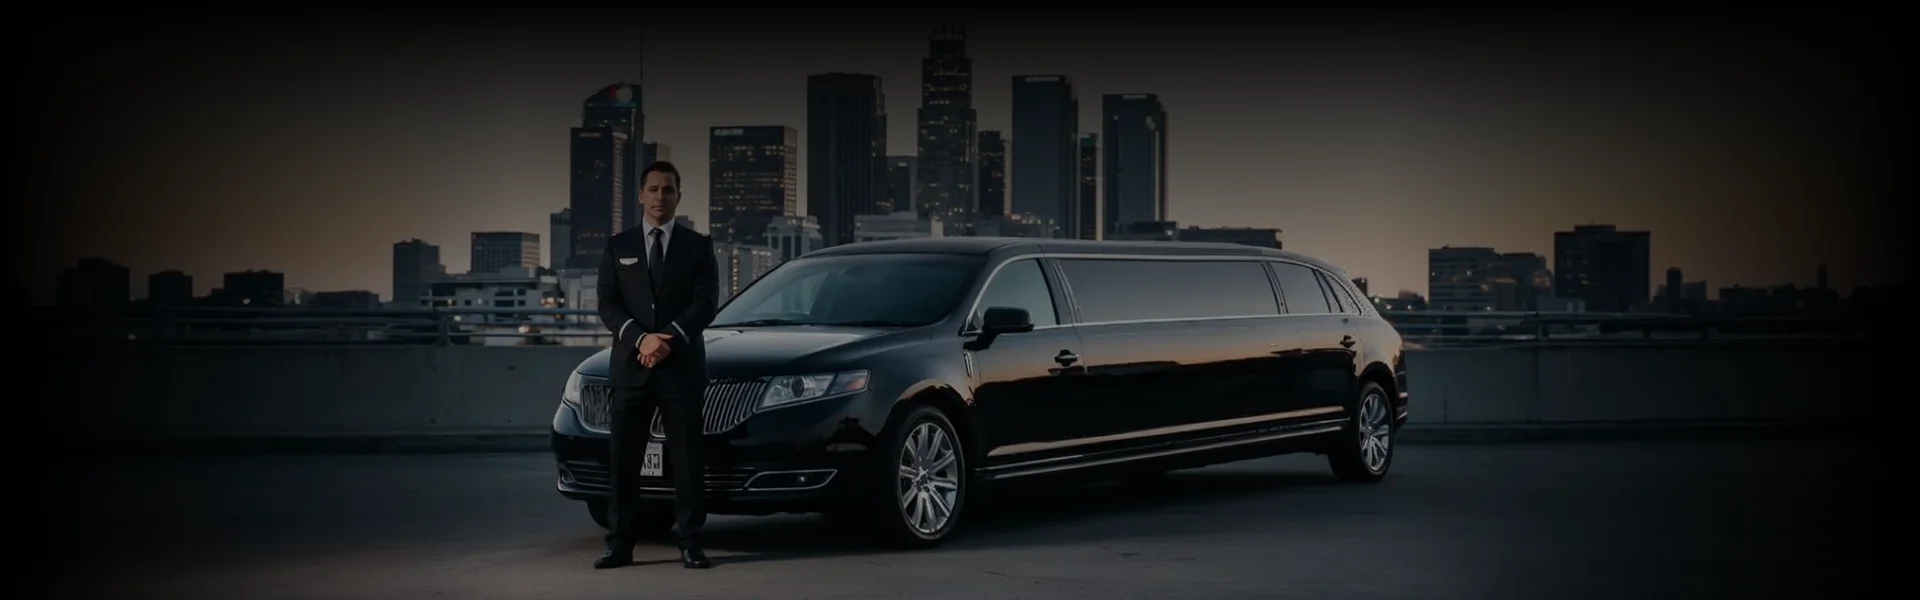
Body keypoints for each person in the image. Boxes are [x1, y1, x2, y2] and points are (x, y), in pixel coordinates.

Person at [593, 160, 720, 570]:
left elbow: (706, 304)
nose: (660, 197)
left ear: (678, 196)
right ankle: (620, 544)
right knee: (624, 460)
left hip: (680, 368)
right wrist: (641, 339)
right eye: (653, 189)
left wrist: (666, 339)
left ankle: (690, 542)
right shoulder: (619, 246)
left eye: (668, 190)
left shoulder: (698, 245)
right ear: (641, 195)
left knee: (686, 459)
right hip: (631, 366)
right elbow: (607, 305)